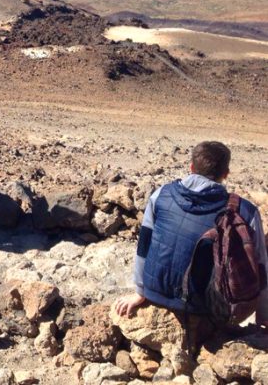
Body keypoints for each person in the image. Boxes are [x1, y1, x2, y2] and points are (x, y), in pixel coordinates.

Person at [115, 141, 268, 329]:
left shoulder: (161, 194)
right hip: (204, 306)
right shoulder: (246, 212)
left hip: (155, 292)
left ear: (191, 167)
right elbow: (260, 265)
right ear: (226, 174)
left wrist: (140, 291)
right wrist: (263, 315)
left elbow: (144, 246)